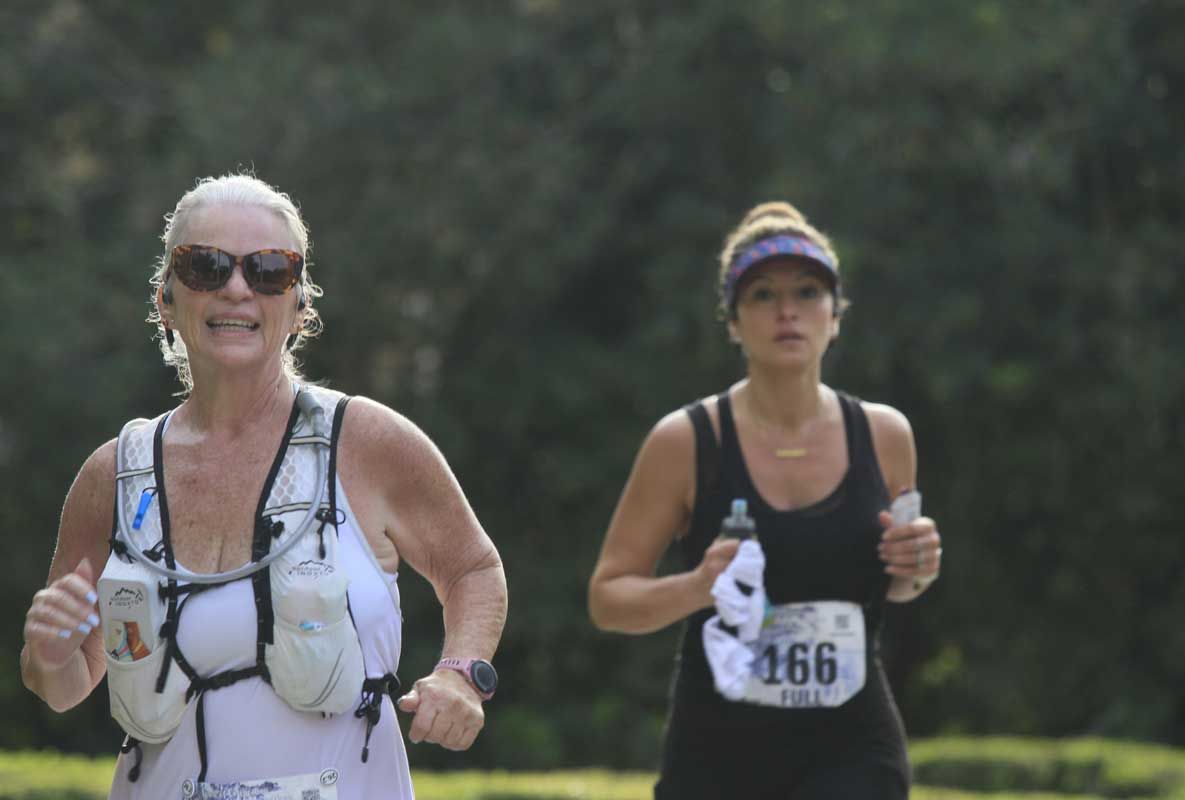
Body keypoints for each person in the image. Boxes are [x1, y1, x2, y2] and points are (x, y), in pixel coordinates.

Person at [20, 173, 507, 799]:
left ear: (300, 306)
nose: (236, 288)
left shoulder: (367, 442)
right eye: (205, 266)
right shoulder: (114, 474)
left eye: (269, 270)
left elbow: (472, 568)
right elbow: (64, 686)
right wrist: (47, 655)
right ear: (166, 299)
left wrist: (461, 674)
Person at [588, 201, 942, 799]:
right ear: (733, 321)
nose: (786, 310)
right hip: (718, 751)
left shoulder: (885, 434)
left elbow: (899, 586)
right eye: (761, 295)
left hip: (853, 748)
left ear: (835, 316)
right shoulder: (686, 441)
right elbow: (608, 598)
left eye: (807, 292)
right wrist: (698, 587)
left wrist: (919, 565)